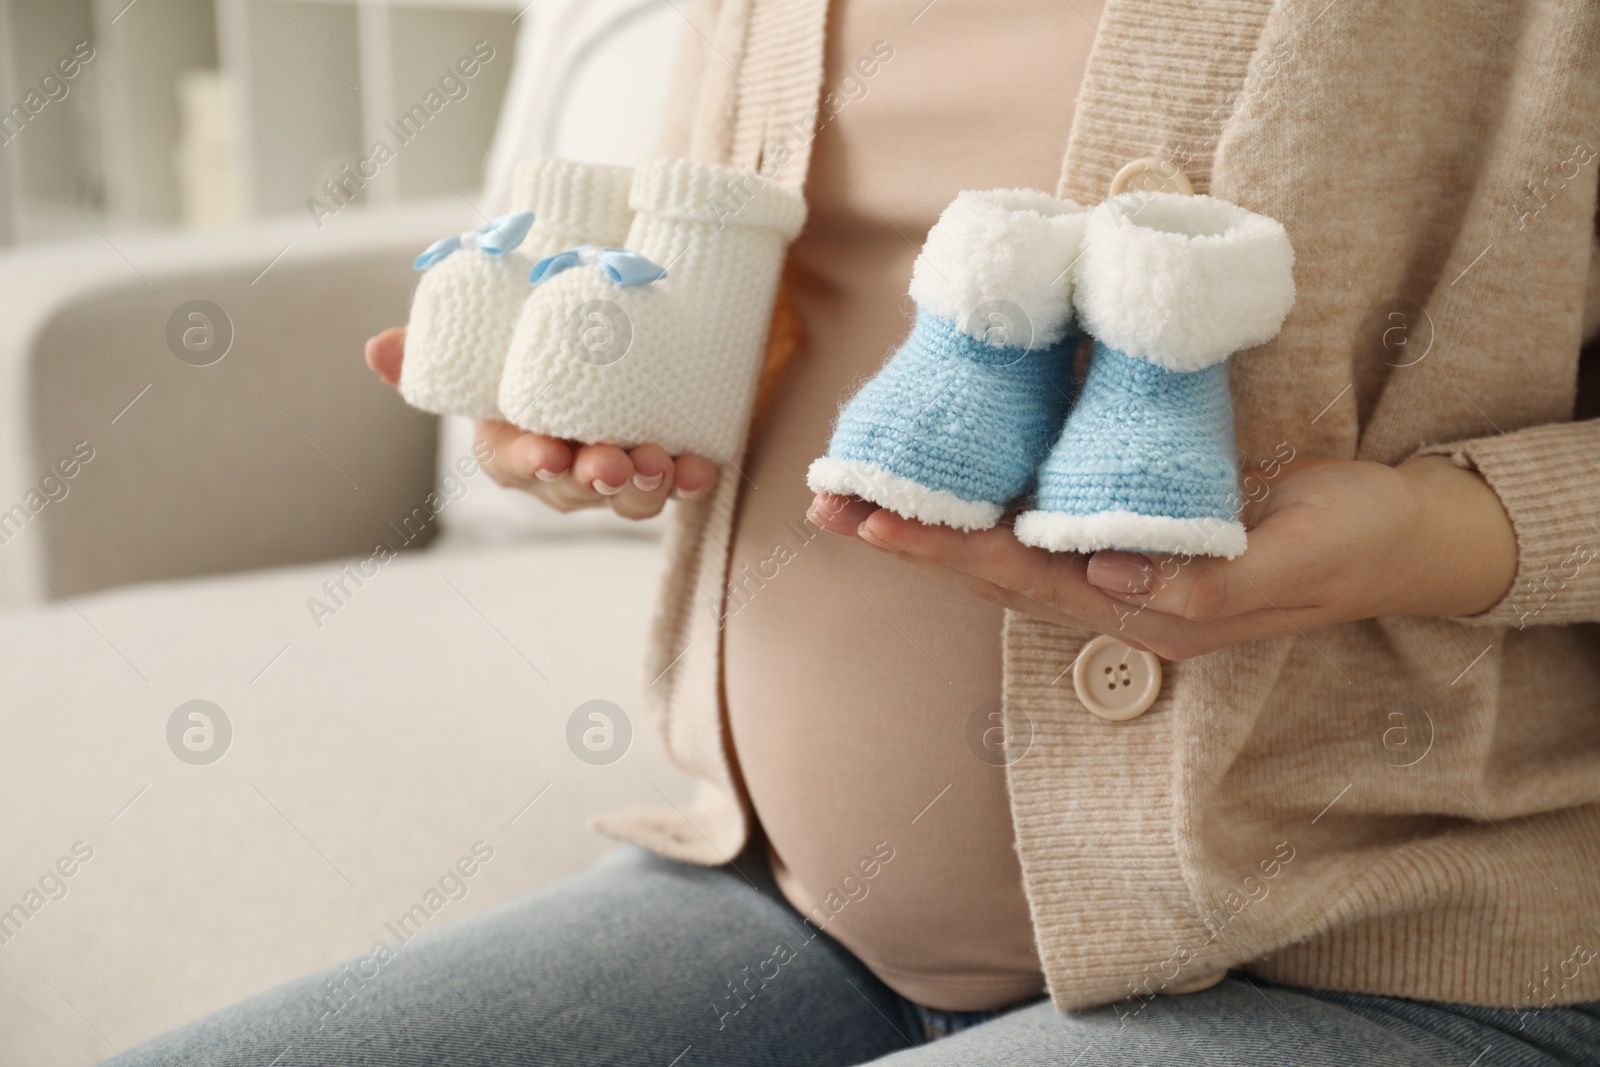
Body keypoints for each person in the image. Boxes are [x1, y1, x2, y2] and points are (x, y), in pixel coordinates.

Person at [106, 0, 1600, 1063]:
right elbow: (755, 286)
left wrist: (1421, 534)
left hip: (1364, 958)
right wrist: (627, 409)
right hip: (784, 900)